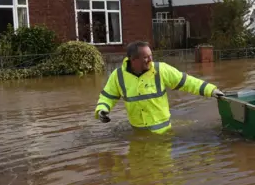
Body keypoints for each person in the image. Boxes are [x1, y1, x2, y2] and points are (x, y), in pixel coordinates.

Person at [95, 41, 224, 134]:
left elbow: (187, 82)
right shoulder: (118, 76)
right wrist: (102, 110)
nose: (150, 60)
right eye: (146, 57)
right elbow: (107, 96)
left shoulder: (161, 69)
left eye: (151, 56)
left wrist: (211, 90)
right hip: (138, 133)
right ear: (133, 60)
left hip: (164, 133)